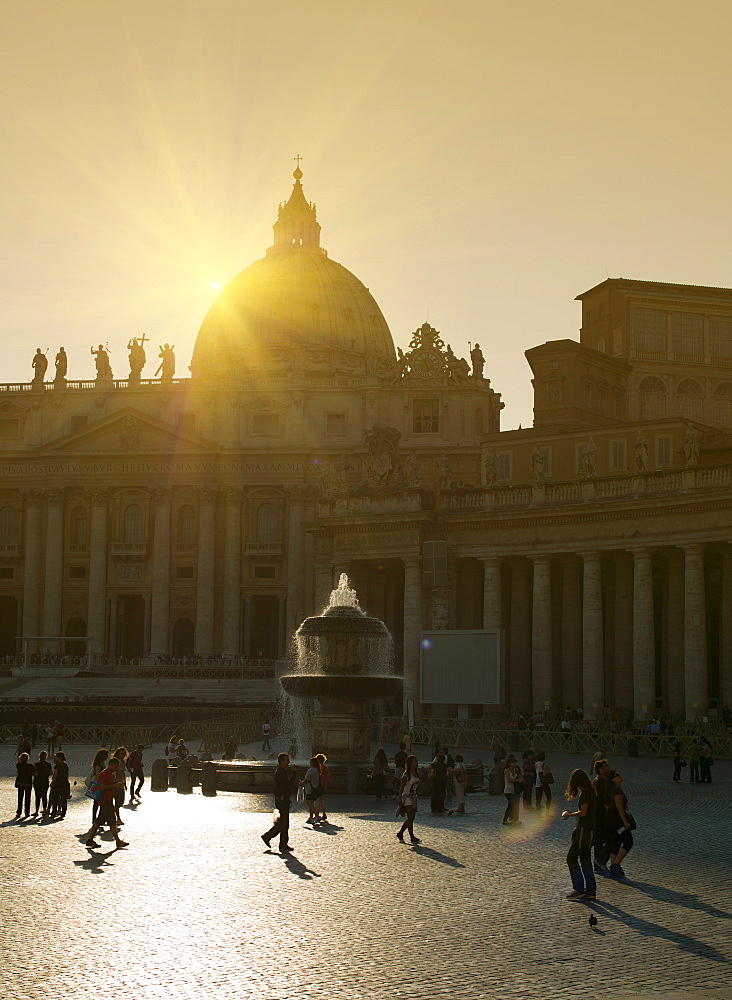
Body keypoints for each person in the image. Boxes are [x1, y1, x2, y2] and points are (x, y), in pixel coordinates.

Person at [561, 769, 597, 901]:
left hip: (584, 831)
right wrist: (573, 812)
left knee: (571, 858)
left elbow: (583, 813)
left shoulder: (586, 793)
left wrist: (570, 815)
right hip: (589, 830)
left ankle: (579, 888)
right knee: (585, 859)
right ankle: (591, 891)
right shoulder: (589, 792)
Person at [85, 757, 129, 849]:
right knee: (112, 821)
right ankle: (118, 841)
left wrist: (117, 786)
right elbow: (103, 787)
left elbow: (111, 787)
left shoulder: (111, 775)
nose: (115, 769)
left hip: (108, 799)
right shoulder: (103, 774)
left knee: (99, 821)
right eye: (115, 767)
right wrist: (115, 785)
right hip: (105, 800)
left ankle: (90, 840)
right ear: (111, 764)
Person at [261, 752, 295, 853]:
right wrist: (294, 773)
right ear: (281, 761)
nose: (289, 762)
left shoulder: (281, 771)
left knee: (284, 823)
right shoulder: (281, 772)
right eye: (286, 760)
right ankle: (269, 837)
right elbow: (288, 785)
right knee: (284, 823)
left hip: (282, 799)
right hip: (282, 800)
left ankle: (281, 843)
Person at [606, 769, 634, 878]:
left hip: (611, 819)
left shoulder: (611, 790)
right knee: (628, 841)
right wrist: (625, 822)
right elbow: (619, 807)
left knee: (616, 842)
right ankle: (616, 865)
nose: (620, 776)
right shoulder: (617, 791)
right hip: (617, 820)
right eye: (617, 775)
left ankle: (614, 867)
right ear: (613, 779)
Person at [592, 759, 612, 874]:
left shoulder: (604, 781)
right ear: (600, 769)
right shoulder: (599, 782)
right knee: (607, 839)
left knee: (600, 840)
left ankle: (598, 863)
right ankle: (599, 861)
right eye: (606, 766)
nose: (608, 768)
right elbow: (600, 800)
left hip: (602, 815)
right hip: (601, 815)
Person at [396, 754, 421, 844]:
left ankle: (401, 833)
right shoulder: (406, 775)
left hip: (413, 796)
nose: (417, 763)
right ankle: (411, 836)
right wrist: (399, 798)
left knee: (412, 817)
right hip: (406, 797)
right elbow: (402, 787)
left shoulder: (416, 773)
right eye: (415, 761)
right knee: (410, 817)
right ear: (410, 763)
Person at [88, 748, 109, 827]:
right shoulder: (98, 765)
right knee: (96, 803)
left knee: (99, 803)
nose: (107, 757)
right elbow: (98, 775)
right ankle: (95, 819)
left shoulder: (102, 763)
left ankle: (100, 819)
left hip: (100, 785)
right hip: (98, 786)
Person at [48, 751, 70, 819]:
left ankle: (54, 811)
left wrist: (52, 782)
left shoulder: (57, 765)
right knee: (63, 799)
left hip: (58, 783)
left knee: (55, 797)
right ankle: (63, 812)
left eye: (56, 757)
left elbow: (55, 774)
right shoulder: (65, 765)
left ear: (59, 758)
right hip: (65, 783)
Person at [301, 756, 323, 823]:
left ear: (313, 763)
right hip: (315, 788)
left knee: (309, 804)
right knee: (312, 803)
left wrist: (301, 783)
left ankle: (317, 815)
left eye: (310, 762)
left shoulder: (311, 770)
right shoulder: (317, 770)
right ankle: (311, 817)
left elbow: (307, 779)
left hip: (310, 789)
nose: (309, 763)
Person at [502, 755, 522, 825]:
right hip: (508, 791)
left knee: (510, 805)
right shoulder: (506, 770)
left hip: (514, 790)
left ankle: (505, 820)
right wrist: (517, 780)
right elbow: (509, 780)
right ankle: (515, 820)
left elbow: (521, 778)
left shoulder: (515, 770)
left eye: (515, 762)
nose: (514, 764)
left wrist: (518, 774)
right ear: (509, 763)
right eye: (513, 762)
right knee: (514, 804)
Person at [32, 750, 53, 817]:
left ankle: (36, 811)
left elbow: (34, 773)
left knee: (37, 796)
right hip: (45, 782)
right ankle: (44, 810)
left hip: (37, 782)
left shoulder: (36, 764)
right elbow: (50, 773)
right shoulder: (48, 764)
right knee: (44, 796)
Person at [111, 747, 128, 826]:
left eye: (124, 754)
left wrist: (125, 782)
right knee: (118, 802)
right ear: (117, 754)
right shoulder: (114, 762)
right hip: (115, 784)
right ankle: (117, 818)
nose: (123, 755)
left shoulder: (123, 762)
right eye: (121, 754)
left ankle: (110, 814)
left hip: (121, 783)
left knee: (121, 802)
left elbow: (123, 773)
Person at [15, 752, 35, 818]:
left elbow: (18, 765)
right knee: (27, 798)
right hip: (28, 783)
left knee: (20, 798)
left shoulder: (19, 765)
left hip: (20, 783)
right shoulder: (31, 766)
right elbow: (35, 773)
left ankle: (19, 812)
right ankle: (27, 812)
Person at [314, 752, 330, 821]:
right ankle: (323, 813)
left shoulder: (317, 767)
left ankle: (317, 814)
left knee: (317, 800)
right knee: (321, 800)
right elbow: (328, 777)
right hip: (323, 785)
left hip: (318, 785)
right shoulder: (326, 768)